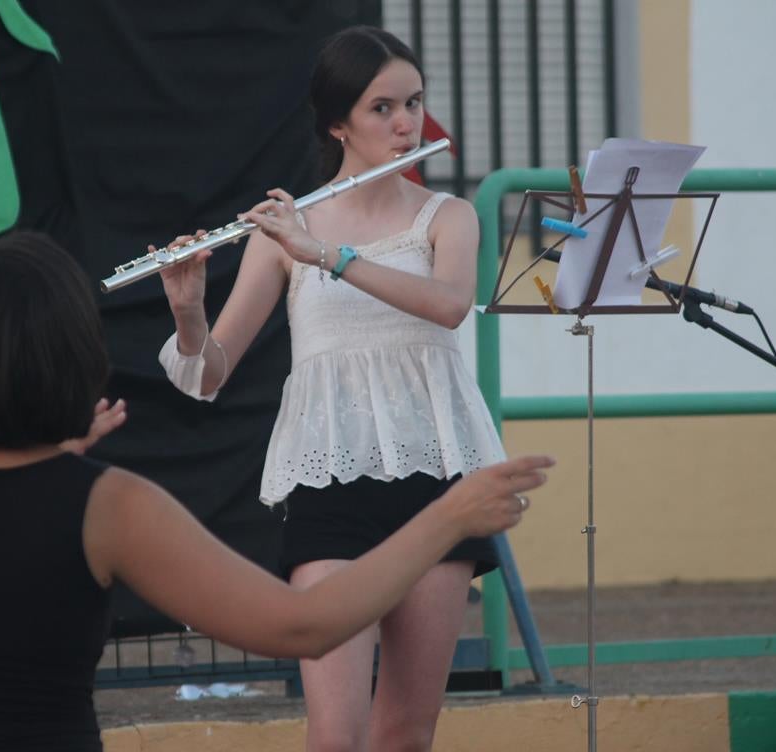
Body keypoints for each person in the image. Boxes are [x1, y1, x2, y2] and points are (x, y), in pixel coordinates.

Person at [0, 231, 551, 751]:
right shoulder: (104, 504)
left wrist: (46, 464)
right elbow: (302, 626)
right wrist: (450, 514)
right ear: (71, 359)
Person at [157, 25, 536, 752]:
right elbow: (206, 377)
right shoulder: (284, 232)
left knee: (406, 735)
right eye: (382, 108)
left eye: (414, 103)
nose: (406, 123)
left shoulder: (445, 219)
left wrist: (327, 254)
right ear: (337, 124)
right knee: (335, 736)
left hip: (436, 477)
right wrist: (187, 310)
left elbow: (450, 305)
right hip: (331, 480)